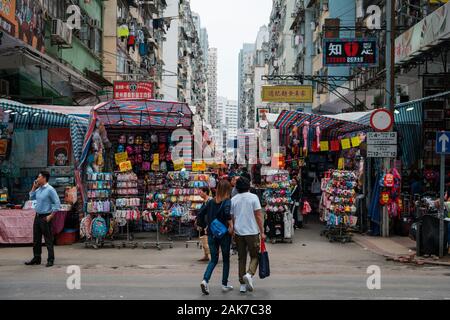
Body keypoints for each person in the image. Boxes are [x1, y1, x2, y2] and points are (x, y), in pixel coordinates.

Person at [197, 180, 234, 295]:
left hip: (212, 234)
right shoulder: (227, 201)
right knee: (226, 259)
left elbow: (200, 214)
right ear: (227, 190)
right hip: (224, 234)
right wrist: (231, 225)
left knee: (213, 259)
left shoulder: (211, 202)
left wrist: (204, 225)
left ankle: (205, 280)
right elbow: (227, 213)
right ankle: (224, 284)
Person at [231, 177, 265, 293]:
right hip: (252, 232)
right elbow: (259, 216)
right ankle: (249, 274)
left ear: (237, 187)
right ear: (248, 186)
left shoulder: (234, 199)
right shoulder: (254, 197)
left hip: (239, 232)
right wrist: (262, 231)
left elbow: (232, 218)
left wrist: (233, 231)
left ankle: (242, 284)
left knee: (241, 258)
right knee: (255, 256)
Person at [25, 171, 61, 267]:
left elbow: (57, 204)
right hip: (37, 217)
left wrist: (51, 216)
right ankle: (36, 258)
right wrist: (34, 186)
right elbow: (31, 197)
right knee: (36, 239)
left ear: (44, 178)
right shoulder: (39, 189)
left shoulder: (50, 189)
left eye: (39, 177)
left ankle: (50, 259)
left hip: (46, 217)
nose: (37, 178)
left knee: (48, 239)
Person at [197, 187, 212, 262]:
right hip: (202, 223)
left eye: (201, 192)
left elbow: (210, 213)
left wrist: (208, 225)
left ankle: (212, 255)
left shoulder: (209, 201)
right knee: (203, 239)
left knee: (207, 240)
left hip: (207, 223)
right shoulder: (205, 201)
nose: (199, 193)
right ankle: (206, 255)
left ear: (205, 192)